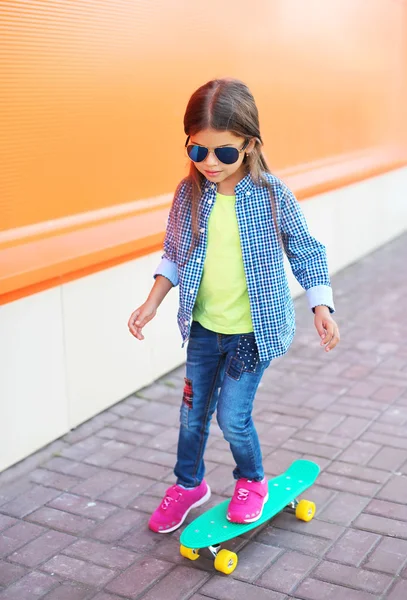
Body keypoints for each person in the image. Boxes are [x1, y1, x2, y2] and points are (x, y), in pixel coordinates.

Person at [128, 78, 340, 534]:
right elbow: (175, 253)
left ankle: (252, 480)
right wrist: (151, 303)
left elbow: (305, 250)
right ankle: (189, 486)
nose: (209, 162)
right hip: (205, 328)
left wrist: (321, 307)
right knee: (192, 414)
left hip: (252, 332)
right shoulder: (189, 196)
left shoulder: (271, 194)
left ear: (249, 145)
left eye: (223, 152)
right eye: (197, 150)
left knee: (232, 417)